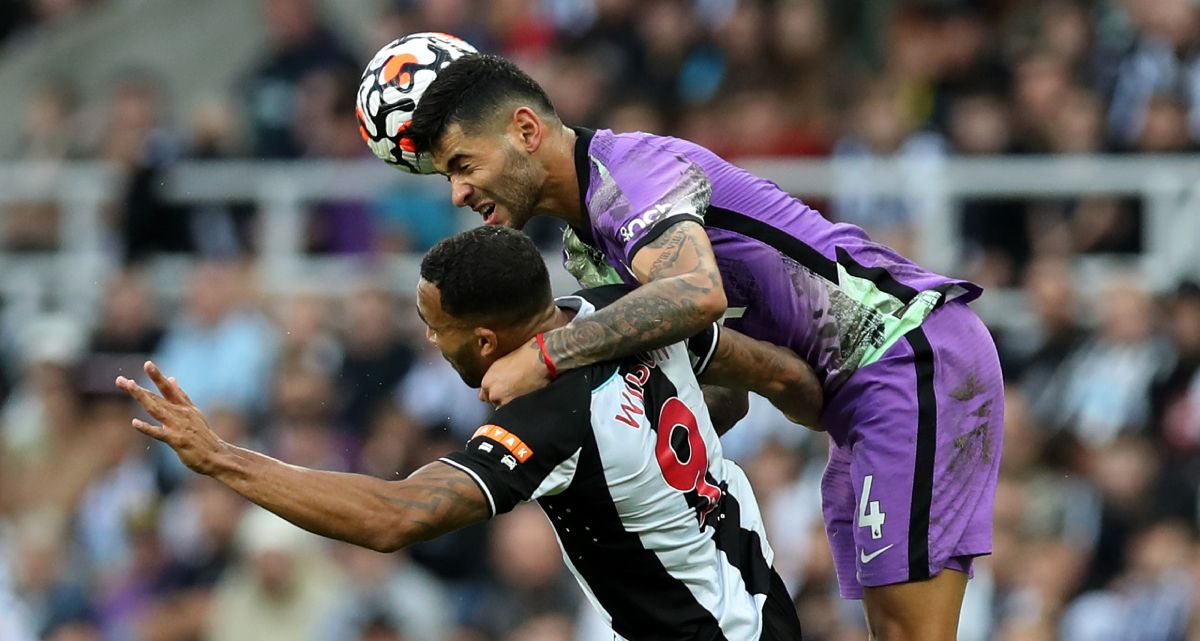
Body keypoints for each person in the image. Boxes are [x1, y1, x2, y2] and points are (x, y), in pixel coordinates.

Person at [391, 51, 1004, 641]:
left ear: (525, 130)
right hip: (858, 397)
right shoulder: (587, 246)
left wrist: (548, 355)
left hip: (904, 354)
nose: (458, 194)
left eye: (464, 165)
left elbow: (697, 292)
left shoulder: (631, 174)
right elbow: (718, 388)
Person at [116, 226, 822, 640]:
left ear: (484, 339)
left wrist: (221, 458)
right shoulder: (623, 310)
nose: (428, 337)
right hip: (761, 609)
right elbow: (730, 396)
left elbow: (394, 517)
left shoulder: (546, 420)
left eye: (437, 327)